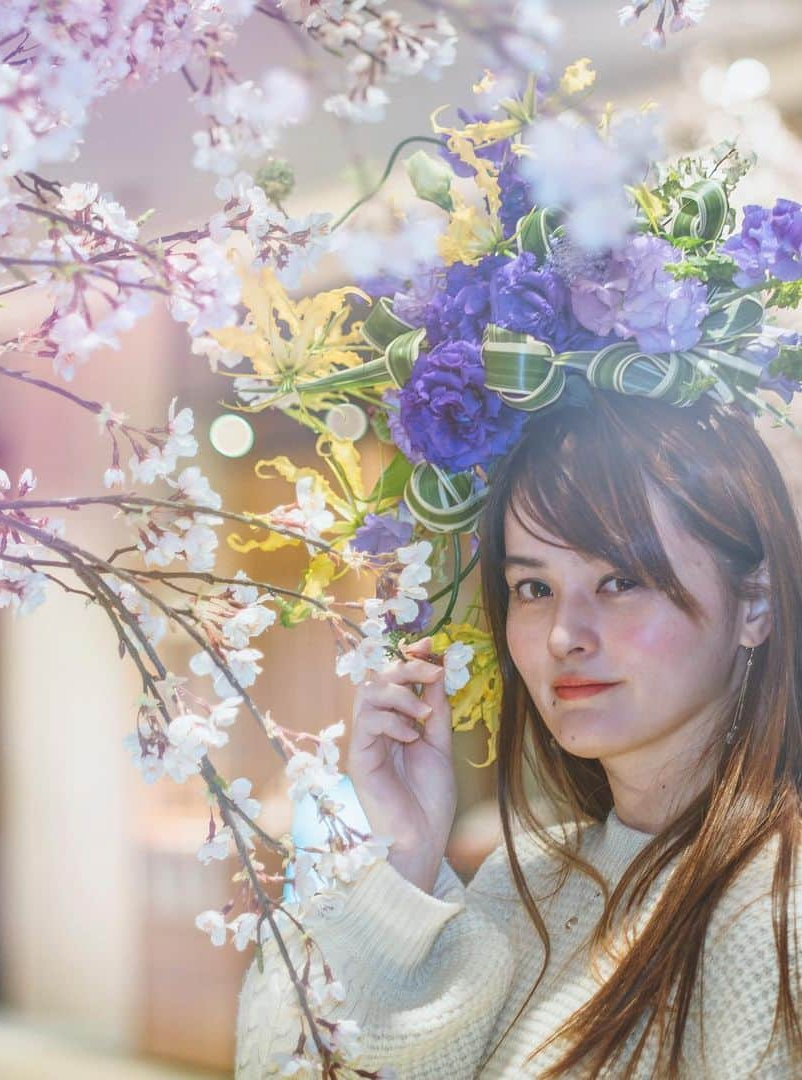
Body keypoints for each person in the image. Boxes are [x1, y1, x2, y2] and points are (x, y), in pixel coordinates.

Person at [234, 389, 802, 1078]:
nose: (564, 635)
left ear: (756, 605)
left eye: (620, 580)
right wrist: (404, 860)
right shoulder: (526, 877)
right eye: (534, 589)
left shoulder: (781, 909)